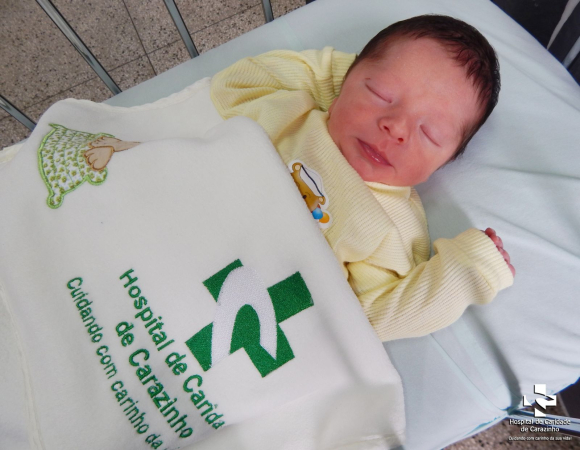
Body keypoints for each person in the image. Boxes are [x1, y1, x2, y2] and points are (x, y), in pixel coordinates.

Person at [209, 14, 515, 341]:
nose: (395, 127)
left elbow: (366, 320)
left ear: (444, 164)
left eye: (430, 133)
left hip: (234, 304)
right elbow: (234, 83)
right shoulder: (292, 117)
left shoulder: (393, 226)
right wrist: (343, 84)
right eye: (381, 93)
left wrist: (467, 270)